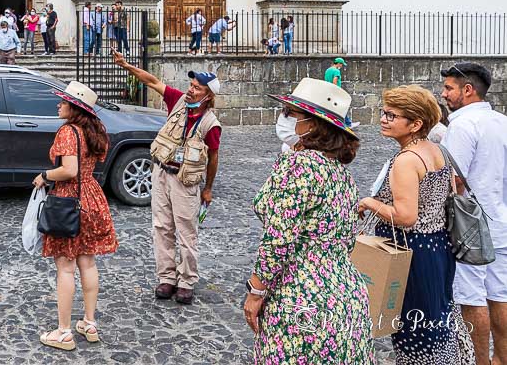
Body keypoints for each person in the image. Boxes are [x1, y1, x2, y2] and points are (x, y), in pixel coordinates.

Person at [245, 78, 373, 362]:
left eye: (291, 113)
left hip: (301, 295)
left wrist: (255, 291)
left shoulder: (299, 166)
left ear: (312, 125)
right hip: (346, 295)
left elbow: (279, 239)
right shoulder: (342, 175)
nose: (284, 119)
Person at [359, 85, 475, 365]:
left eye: (392, 115)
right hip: (438, 247)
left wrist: (368, 203)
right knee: (438, 319)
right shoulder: (437, 151)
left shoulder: (406, 161)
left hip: (412, 254)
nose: (384, 119)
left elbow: (406, 216)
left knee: (416, 328)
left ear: (416, 124)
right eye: (384, 113)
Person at [113, 51, 221, 304]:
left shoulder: (210, 124)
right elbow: (151, 81)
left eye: (197, 88)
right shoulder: (178, 101)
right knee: (161, 227)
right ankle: (166, 278)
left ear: (209, 95)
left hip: (185, 181)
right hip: (161, 171)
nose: (191, 90)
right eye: (191, 86)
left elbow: (213, 158)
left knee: (186, 231)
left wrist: (208, 188)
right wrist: (127, 65)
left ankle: (186, 281)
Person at [32, 81, 117, 351]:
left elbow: (69, 170)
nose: (59, 104)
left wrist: (44, 176)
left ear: (74, 108)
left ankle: (64, 332)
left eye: (63, 102)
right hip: (92, 197)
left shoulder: (69, 132)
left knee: (66, 267)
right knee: (88, 264)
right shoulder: (94, 131)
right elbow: (86, 169)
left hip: (69, 200)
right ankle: (90, 323)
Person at [441, 62, 507, 365]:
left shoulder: (462, 125)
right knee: (501, 295)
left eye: (449, 88)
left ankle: (479, 361)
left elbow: (454, 180)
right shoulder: (502, 121)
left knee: (471, 298)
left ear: (468, 90)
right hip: (501, 221)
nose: (444, 94)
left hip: (471, 227)